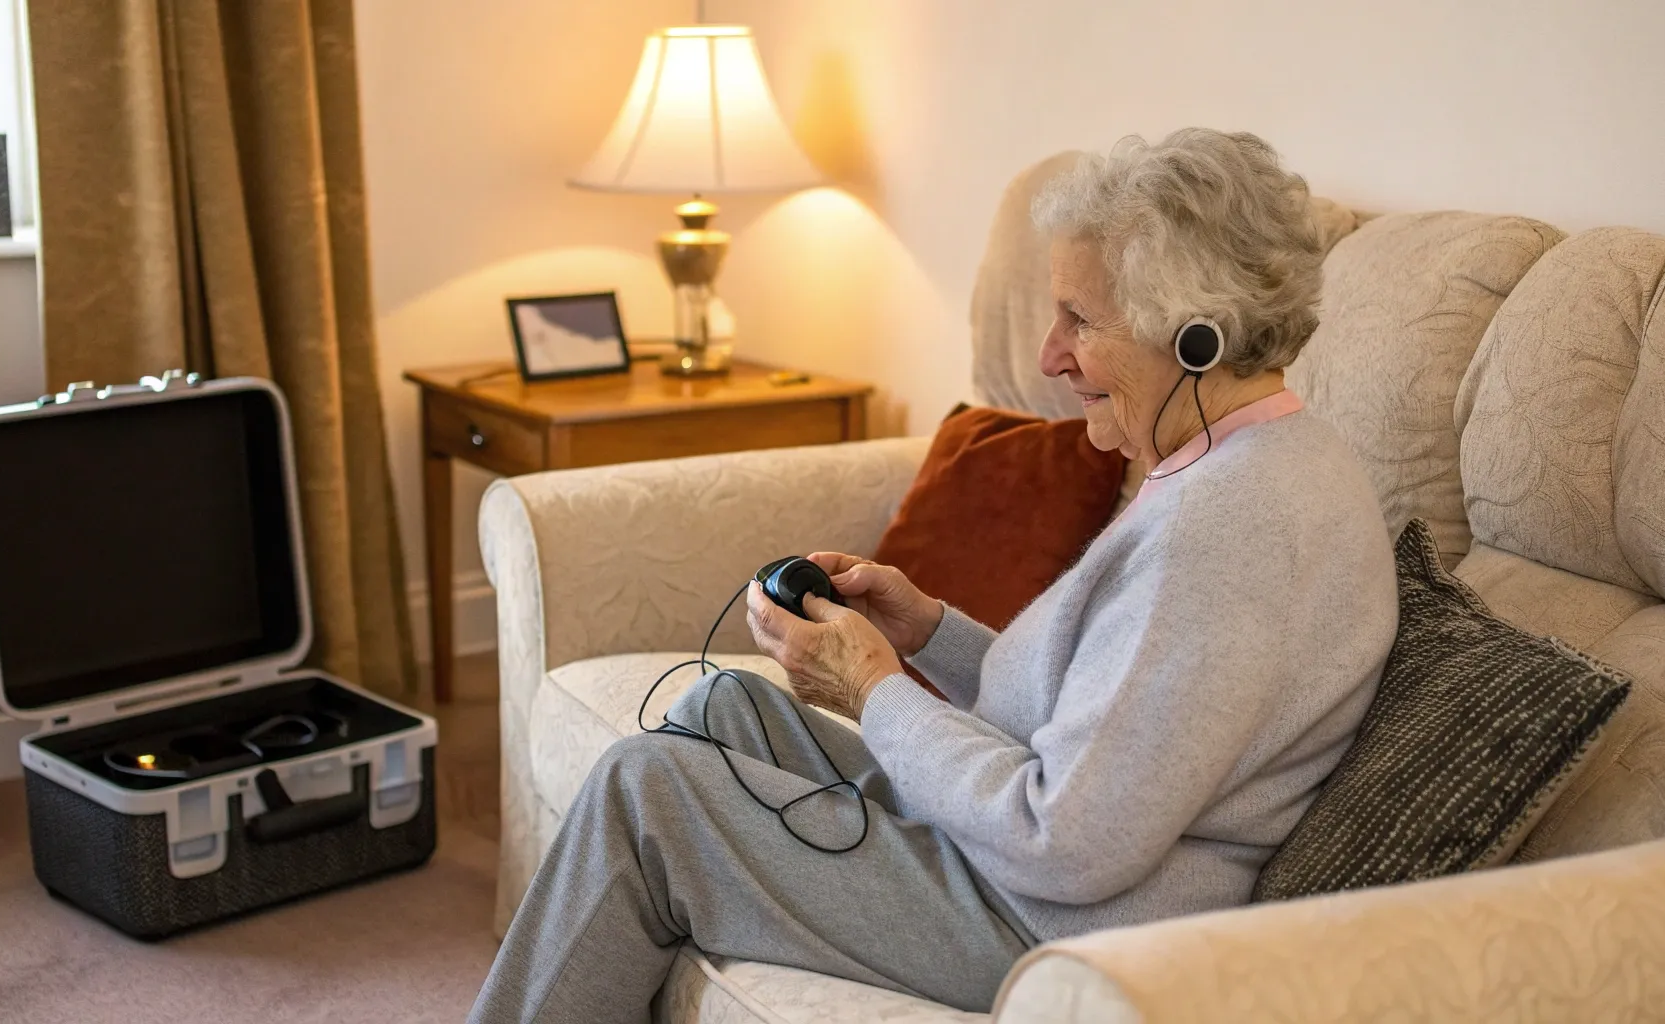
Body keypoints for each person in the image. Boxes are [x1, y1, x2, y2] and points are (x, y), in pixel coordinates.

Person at [468, 128, 1399, 1023]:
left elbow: (1065, 843)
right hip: (1019, 872)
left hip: (1048, 922)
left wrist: (872, 685)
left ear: (1193, 338)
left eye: (1080, 319)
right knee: (726, 712)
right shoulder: (1252, 461)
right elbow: (1107, 712)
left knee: (649, 793)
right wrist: (931, 633)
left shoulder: (1232, 531)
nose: (1047, 355)